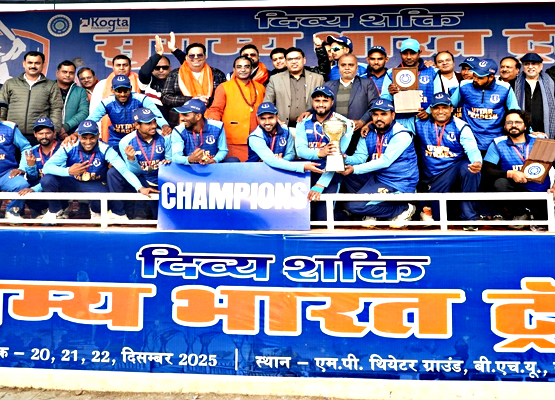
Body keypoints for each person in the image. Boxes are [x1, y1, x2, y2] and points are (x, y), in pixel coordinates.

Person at [39, 120, 157, 221]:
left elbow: (123, 170)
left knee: (101, 202)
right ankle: (55, 210)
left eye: (92, 138)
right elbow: (47, 168)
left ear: (98, 135)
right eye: (84, 138)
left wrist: (139, 187)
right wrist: (68, 171)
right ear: (79, 136)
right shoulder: (69, 146)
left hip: (94, 183)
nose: (88, 142)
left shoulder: (105, 149)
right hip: (72, 181)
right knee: (47, 180)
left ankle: (96, 211)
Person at [400, 93, 482, 230]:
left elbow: (472, 148)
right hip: (432, 177)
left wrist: (477, 161)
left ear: (451, 108)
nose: (440, 111)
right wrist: (370, 124)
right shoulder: (419, 123)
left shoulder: (460, 126)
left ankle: (469, 218)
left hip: (453, 169)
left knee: (469, 168)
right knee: (438, 216)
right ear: (431, 109)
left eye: (444, 107)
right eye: (436, 108)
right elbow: (394, 124)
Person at [337, 99, 419, 228]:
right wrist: (343, 158)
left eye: (383, 114)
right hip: (378, 178)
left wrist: (354, 169)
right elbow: (360, 158)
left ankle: (403, 208)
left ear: (393, 115)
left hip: (398, 182)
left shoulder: (401, 134)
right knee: (346, 174)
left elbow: (385, 161)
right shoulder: (369, 132)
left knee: (353, 206)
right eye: (375, 114)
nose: (379, 118)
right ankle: (372, 210)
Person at [296, 86, 360, 221]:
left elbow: (336, 159)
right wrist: (320, 153)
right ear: (312, 102)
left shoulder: (344, 123)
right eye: (317, 100)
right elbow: (301, 151)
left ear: (332, 102)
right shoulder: (303, 122)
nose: (321, 104)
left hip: (330, 174)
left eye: (325, 100)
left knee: (323, 219)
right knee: (302, 218)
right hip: (307, 173)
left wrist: (321, 184)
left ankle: (345, 215)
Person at [483, 109, 554, 227]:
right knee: (500, 183)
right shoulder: (498, 143)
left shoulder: (540, 140)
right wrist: (511, 174)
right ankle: (521, 214)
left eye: (518, 122)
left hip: (541, 193)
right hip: (517, 194)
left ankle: (531, 216)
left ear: (525, 126)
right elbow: (487, 170)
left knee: (543, 225)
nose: (513, 125)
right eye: (509, 122)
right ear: (504, 126)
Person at [111, 108, 172, 219]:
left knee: (159, 219)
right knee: (113, 173)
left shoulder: (165, 137)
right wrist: (131, 159)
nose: (154, 126)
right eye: (148, 123)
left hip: (162, 179)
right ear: (137, 125)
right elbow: (134, 172)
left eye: (154, 122)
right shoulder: (126, 142)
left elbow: (171, 160)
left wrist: (169, 162)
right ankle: (120, 213)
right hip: (141, 179)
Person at [450, 58, 520, 154]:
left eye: (480, 77)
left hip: (496, 140)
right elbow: (449, 106)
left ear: (491, 77)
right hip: (470, 140)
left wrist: (530, 130)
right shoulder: (464, 85)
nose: (475, 79)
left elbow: (515, 112)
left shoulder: (505, 88)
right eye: (474, 75)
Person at [205, 56, 265, 161]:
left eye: (247, 67)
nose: (243, 70)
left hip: (257, 139)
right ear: (234, 69)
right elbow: (216, 110)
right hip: (232, 140)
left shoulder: (260, 87)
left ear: (251, 69)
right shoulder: (224, 87)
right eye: (239, 67)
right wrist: (211, 129)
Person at [87, 75, 170, 150]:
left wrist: (164, 125)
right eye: (119, 91)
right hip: (116, 141)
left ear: (130, 88)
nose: (122, 94)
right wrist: (82, 132)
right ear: (112, 90)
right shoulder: (107, 102)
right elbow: (91, 120)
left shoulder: (141, 98)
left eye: (126, 90)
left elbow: (155, 114)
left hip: (137, 140)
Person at [0, 51, 63, 145]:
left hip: (39, 136)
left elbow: (56, 109)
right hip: (11, 134)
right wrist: (2, 129)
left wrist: (55, 131)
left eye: (37, 63)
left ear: (43, 65)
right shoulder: (10, 83)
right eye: (30, 62)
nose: (33, 66)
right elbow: (2, 107)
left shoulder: (51, 85)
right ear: (24, 64)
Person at [161, 42, 227, 128]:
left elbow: (224, 98)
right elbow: (166, 98)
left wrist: (208, 100)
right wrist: (191, 100)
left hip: (211, 122)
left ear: (205, 56)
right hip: (180, 123)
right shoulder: (175, 74)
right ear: (186, 57)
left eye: (199, 55)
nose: (196, 58)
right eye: (192, 56)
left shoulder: (217, 74)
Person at [247, 101, 322, 173]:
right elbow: (272, 161)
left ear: (277, 117)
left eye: (270, 118)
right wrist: (303, 167)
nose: (267, 122)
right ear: (258, 119)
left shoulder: (285, 131)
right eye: (263, 118)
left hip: (280, 171)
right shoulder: (255, 137)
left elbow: (291, 153)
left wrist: (283, 160)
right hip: (256, 172)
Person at [263, 47, 324, 128]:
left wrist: (311, 111)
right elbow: (267, 103)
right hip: (283, 127)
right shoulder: (275, 79)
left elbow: (324, 102)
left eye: (297, 58)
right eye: (290, 59)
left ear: (304, 60)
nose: (294, 61)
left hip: (311, 126)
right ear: (286, 62)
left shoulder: (318, 78)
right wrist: (275, 120)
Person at [380, 38, 440, 117]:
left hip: (425, 120)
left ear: (419, 53)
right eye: (405, 53)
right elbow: (384, 101)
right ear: (400, 53)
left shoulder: (432, 72)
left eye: (413, 53)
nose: (408, 57)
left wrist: (429, 112)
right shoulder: (391, 73)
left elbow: (438, 96)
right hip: (400, 120)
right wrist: (390, 93)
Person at [18, 117, 63, 218]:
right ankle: (41, 210)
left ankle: (60, 209)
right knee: (23, 186)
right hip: (41, 188)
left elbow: (58, 176)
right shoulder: (31, 151)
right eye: (40, 133)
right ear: (35, 134)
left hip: (57, 187)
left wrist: (34, 189)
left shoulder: (62, 149)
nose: (44, 136)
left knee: (49, 181)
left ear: (54, 133)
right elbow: (32, 178)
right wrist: (31, 166)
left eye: (48, 133)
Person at [89, 54, 141, 140]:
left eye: (125, 65)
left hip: (135, 131)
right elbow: (94, 110)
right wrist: (98, 133)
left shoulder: (139, 82)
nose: (121, 68)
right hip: (110, 133)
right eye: (118, 65)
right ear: (113, 67)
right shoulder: (101, 85)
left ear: (130, 67)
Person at [138, 33, 186, 121]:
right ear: (152, 68)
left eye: (165, 67)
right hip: (154, 124)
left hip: (177, 122)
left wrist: (175, 50)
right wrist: (158, 54)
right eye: (157, 68)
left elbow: (190, 66)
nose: (161, 70)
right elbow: (144, 72)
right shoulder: (148, 81)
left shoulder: (177, 79)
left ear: (170, 68)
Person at [171, 99, 230, 165]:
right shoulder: (178, 131)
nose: (181, 118)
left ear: (198, 116)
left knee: (233, 160)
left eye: (186, 115)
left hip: (212, 166)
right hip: (189, 167)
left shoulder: (217, 127)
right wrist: (189, 159)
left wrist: (214, 160)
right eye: (181, 115)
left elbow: (223, 150)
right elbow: (175, 156)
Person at [514, 52, 555, 138]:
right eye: (526, 64)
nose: (530, 67)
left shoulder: (551, 83)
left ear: (541, 66)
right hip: (521, 135)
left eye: (534, 64)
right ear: (523, 66)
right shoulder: (514, 84)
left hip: (545, 134)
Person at [0, 118, 31, 219]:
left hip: (6, 173)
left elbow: (26, 147)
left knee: (22, 184)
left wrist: (22, 168)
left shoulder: (9, 128)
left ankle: (12, 211)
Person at [56, 60, 89, 137]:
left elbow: (84, 112)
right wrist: (54, 129)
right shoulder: (48, 88)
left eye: (71, 73)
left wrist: (66, 127)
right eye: (64, 72)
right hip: (49, 133)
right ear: (57, 73)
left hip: (72, 134)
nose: (68, 75)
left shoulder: (81, 91)